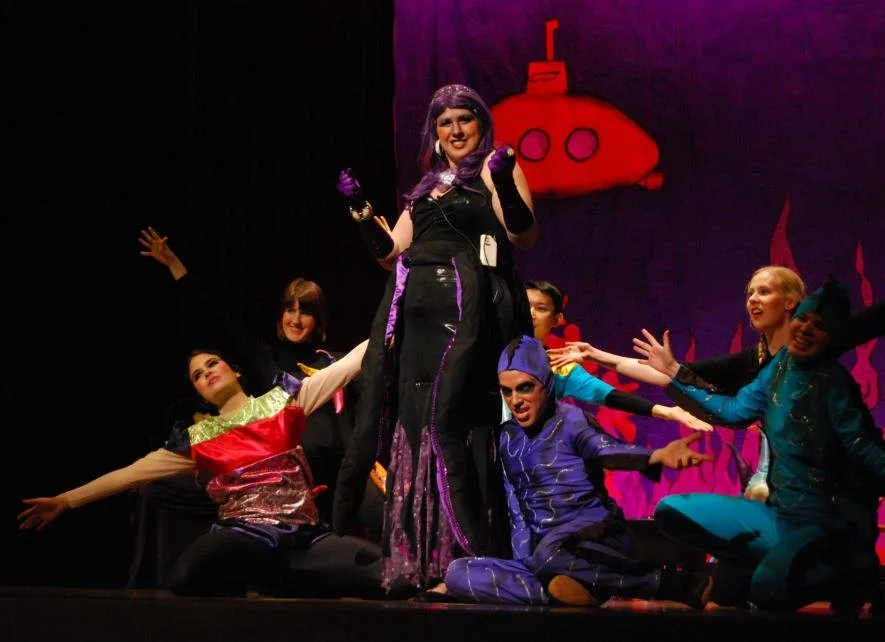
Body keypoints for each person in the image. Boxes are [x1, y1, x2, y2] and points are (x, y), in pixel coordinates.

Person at [548, 187, 885, 500]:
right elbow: (667, 375)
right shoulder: (751, 359)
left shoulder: (823, 341)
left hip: (826, 462)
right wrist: (597, 355)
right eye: (749, 293)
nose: (753, 300)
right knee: (758, 497)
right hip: (778, 462)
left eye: (764, 292)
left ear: (791, 301)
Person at [634, 280, 885, 611]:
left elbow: (862, 442)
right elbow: (733, 411)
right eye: (803, 319)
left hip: (823, 524)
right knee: (670, 512)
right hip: (779, 516)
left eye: (819, 326)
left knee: (766, 592)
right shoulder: (780, 366)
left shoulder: (833, 382)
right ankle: (773, 563)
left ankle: (856, 570)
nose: (805, 329)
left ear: (832, 336)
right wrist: (673, 371)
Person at [332, 84, 537, 592]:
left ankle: (468, 559)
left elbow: (522, 235)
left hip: (472, 319)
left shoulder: (494, 167)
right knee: (418, 424)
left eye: (465, 118)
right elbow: (391, 253)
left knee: (457, 425)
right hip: (418, 325)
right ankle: (416, 560)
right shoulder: (426, 187)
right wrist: (360, 211)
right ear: (435, 132)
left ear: (481, 122)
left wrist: (502, 180)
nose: (456, 130)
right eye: (445, 122)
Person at [18, 342, 399, 598]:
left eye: (212, 364)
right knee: (185, 577)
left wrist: (400, 303)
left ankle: (290, 580)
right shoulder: (199, 438)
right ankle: (273, 580)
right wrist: (65, 500)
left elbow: (351, 362)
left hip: (304, 538)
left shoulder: (284, 401)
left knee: (391, 575)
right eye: (197, 375)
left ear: (235, 370)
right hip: (246, 535)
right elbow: (132, 473)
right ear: (199, 391)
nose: (206, 373)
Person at [137, 227, 384, 533]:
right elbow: (215, 317)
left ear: (318, 320)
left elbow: (376, 396)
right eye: (290, 310)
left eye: (305, 312)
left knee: (387, 521)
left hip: (345, 474)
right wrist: (175, 265)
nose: (296, 319)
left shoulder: (335, 361)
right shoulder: (266, 359)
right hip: (291, 481)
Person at [439, 335, 713, 606]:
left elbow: (605, 449)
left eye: (525, 388)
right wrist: (526, 561)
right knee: (459, 573)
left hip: (597, 539)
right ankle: (567, 589)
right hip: (547, 555)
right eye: (507, 391)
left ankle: (670, 584)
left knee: (548, 555)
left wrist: (655, 456)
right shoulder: (506, 438)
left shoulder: (571, 420)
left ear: (546, 383)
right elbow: (516, 510)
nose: (516, 400)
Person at [524, 279, 711, 432]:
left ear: (557, 319)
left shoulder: (559, 366)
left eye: (541, 308)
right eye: (524, 306)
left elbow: (611, 396)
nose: (530, 314)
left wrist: (667, 412)